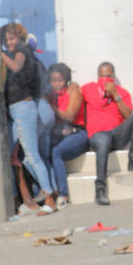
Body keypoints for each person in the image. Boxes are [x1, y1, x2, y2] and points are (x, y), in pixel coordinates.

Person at [2, 22, 58, 215]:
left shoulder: (22, 50)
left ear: (19, 38)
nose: (9, 42)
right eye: (6, 39)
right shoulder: (12, 53)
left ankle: (50, 199)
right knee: (24, 159)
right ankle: (47, 190)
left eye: (12, 38)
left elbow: (16, 67)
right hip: (16, 109)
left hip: (23, 108)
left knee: (32, 156)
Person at [81, 62, 133, 206]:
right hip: (98, 136)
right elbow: (74, 97)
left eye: (108, 76)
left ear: (114, 77)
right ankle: (100, 189)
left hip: (117, 135)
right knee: (103, 140)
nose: (104, 79)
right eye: (101, 76)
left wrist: (115, 94)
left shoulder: (122, 92)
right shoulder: (88, 89)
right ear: (97, 76)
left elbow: (128, 115)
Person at [45, 64, 89, 207]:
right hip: (59, 135)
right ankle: (48, 192)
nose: (56, 84)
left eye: (60, 81)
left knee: (56, 152)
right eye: (53, 81)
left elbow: (70, 115)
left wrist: (50, 107)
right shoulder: (49, 94)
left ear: (67, 80)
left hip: (78, 134)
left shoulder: (73, 91)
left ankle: (64, 195)